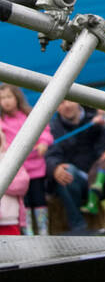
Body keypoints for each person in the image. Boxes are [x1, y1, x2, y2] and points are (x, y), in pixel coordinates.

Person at [45, 98, 105, 234]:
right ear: (55, 108)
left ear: (78, 100)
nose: (66, 105)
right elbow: (50, 156)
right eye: (60, 103)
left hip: (100, 179)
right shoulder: (52, 128)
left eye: (69, 100)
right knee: (66, 171)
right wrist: (55, 169)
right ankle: (78, 227)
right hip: (75, 182)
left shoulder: (98, 121)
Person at [0, 84, 54, 235]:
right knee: (25, 204)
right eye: (2, 98)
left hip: (35, 169)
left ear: (17, 97)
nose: (6, 101)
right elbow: (2, 143)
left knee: (39, 201)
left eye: (9, 97)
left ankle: (43, 231)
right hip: (16, 172)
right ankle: (28, 232)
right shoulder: (1, 122)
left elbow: (45, 130)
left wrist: (43, 142)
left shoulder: (29, 115)